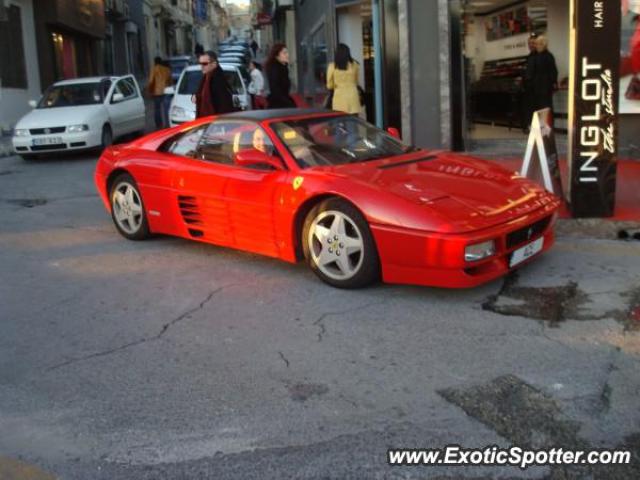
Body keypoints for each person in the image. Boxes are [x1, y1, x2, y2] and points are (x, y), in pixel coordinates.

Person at [194, 50, 235, 118]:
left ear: (214, 64)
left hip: (216, 123)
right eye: (200, 64)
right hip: (205, 122)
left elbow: (224, 107)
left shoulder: (218, 81)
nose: (201, 66)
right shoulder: (205, 78)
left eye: (205, 64)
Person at [326, 43, 361, 115]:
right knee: (353, 122)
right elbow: (356, 81)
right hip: (353, 98)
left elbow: (329, 85)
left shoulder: (332, 66)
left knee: (340, 123)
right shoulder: (355, 65)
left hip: (339, 99)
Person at [531, 35, 558, 113]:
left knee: (544, 107)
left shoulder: (548, 56)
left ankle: (545, 124)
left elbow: (553, 71)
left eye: (537, 44)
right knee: (539, 108)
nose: (536, 46)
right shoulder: (538, 56)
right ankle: (540, 124)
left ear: (542, 44)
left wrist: (553, 83)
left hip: (544, 88)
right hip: (539, 88)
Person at [265, 43, 296, 109]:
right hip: (279, 105)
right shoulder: (275, 69)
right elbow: (275, 90)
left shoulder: (283, 67)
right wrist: (288, 103)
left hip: (283, 102)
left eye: (287, 52)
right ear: (277, 56)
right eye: (284, 53)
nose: (287, 55)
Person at [147, 57, 172, 128]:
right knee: (166, 109)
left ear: (155, 62)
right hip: (166, 91)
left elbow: (151, 81)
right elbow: (170, 81)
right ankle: (167, 124)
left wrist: (150, 91)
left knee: (157, 109)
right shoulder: (167, 69)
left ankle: (159, 124)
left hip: (157, 92)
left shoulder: (154, 69)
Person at [522, 33, 538, 130]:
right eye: (529, 43)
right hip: (528, 87)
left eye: (532, 43)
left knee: (535, 108)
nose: (530, 45)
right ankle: (529, 126)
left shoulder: (539, 57)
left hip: (536, 88)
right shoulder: (529, 57)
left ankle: (535, 128)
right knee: (528, 108)